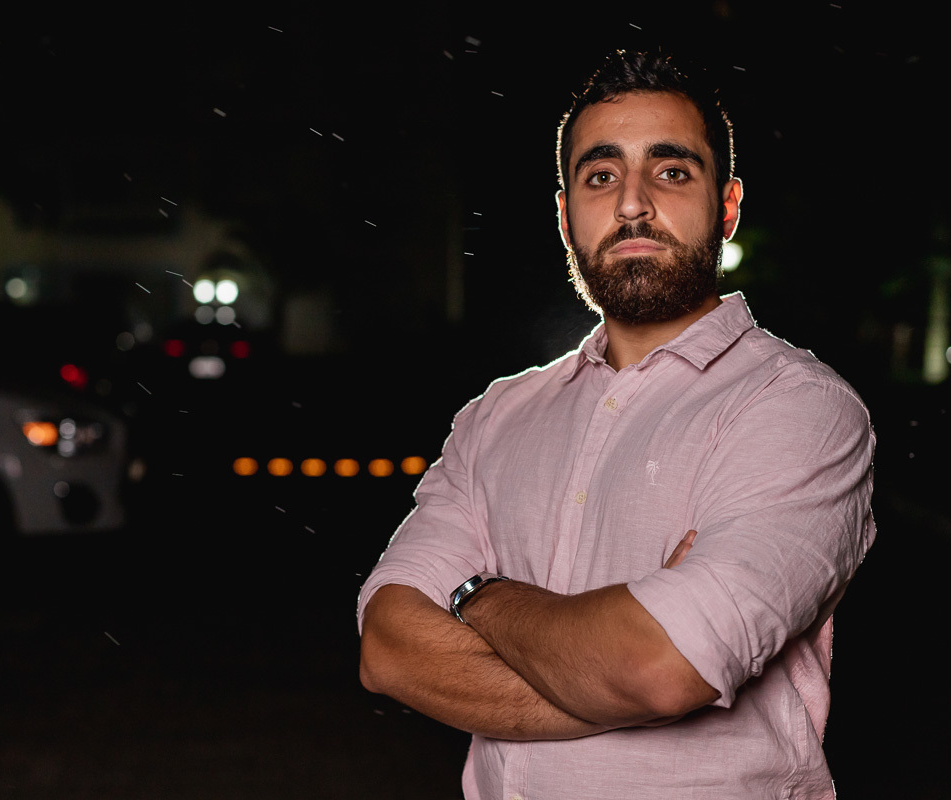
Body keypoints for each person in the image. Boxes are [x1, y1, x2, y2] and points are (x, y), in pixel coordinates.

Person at [356, 50, 876, 799]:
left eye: (671, 172)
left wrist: (478, 596)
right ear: (565, 215)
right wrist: (619, 672)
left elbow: (661, 668)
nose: (633, 204)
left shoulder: (798, 408)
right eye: (601, 176)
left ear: (727, 207)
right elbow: (389, 650)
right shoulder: (496, 416)